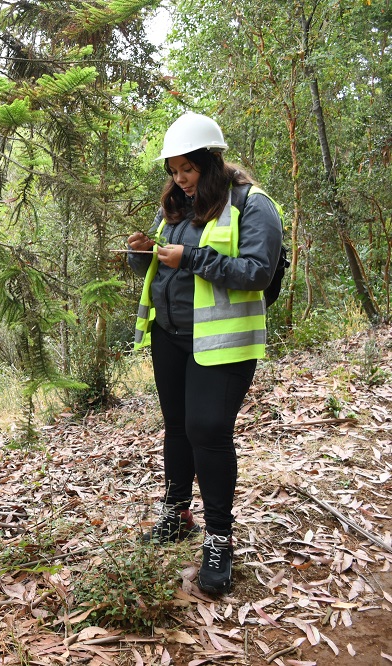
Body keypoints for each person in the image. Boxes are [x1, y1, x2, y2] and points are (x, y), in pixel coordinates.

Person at [127, 113, 283, 594]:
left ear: (210, 161)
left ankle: (219, 538)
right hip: (169, 335)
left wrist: (190, 258)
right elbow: (163, 268)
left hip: (223, 342)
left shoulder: (253, 205)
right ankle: (176, 514)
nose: (180, 180)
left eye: (187, 170)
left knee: (207, 430)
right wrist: (143, 253)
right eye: (173, 171)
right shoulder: (175, 205)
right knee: (177, 427)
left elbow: (258, 271)